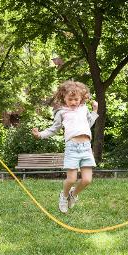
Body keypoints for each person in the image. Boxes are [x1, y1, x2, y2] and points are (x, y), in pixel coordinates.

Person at [32, 80, 98, 213]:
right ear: (64, 98)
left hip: (86, 147)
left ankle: (73, 195)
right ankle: (64, 195)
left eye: (76, 99)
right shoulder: (61, 112)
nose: (73, 102)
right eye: (70, 99)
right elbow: (54, 129)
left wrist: (95, 110)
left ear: (81, 98)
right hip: (72, 147)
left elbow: (88, 123)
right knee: (72, 179)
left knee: (87, 180)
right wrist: (40, 135)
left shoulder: (84, 109)